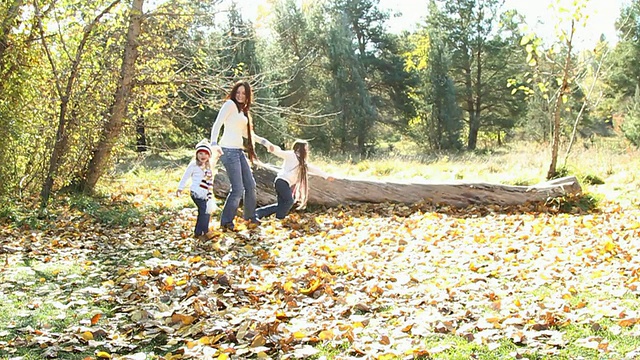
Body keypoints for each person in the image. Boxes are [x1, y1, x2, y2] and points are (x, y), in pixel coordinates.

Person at [210, 81, 275, 230]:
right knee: (237, 189)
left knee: (250, 185)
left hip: (238, 151)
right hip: (228, 150)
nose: (240, 95)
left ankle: (250, 217)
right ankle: (226, 222)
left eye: (243, 93)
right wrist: (214, 143)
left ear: (247, 96)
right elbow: (217, 123)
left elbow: (248, 134)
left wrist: (265, 142)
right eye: (238, 92)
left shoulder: (242, 111)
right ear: (234, 93)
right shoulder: (229, 105)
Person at [257, 140, 334, 220]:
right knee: (289, 201)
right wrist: (271, 148)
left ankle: (263, 214)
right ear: (300, 148)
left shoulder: (302, 162)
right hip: (282, 182)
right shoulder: (291, 155)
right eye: (306, 149)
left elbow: (313, 169)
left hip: (283, 183)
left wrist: (326, 176)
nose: (307, 151)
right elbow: (279, 152)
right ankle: (277, 217)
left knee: (282, 204)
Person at [176, 140, 216, 240]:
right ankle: (202, 232)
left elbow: (209, 180)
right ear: (197, 154)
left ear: (209, 156)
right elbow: (185, 176)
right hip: (196, 192)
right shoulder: (194, 165)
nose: (203, 156)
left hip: (205, 193)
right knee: (204, 210)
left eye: (206, 154)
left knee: (205, 211)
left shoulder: (208, 166)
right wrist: (180, 188)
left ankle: (200, 231)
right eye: (200, 153)